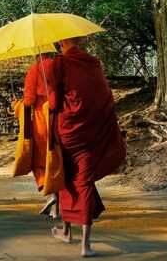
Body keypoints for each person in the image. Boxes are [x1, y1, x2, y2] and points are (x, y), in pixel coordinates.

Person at [49, 37, 126, 258]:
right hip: (93, 130)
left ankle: (74, 237)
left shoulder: (59, 63)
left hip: (68, 132)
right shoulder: (94, 62)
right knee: (83, 180)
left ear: (61, 41)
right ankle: (80, 240)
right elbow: (105, 96)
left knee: (68, 179)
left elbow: (54, 103)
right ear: (80, 40)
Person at [23, 52, 59, 218]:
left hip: (42, 120)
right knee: (58, 161)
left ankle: (49, 192)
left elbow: (29, 100)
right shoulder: (59, 66)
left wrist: (17, 105)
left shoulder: (34, 69)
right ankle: (55, 209)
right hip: (60, 117)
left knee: (39, 161)